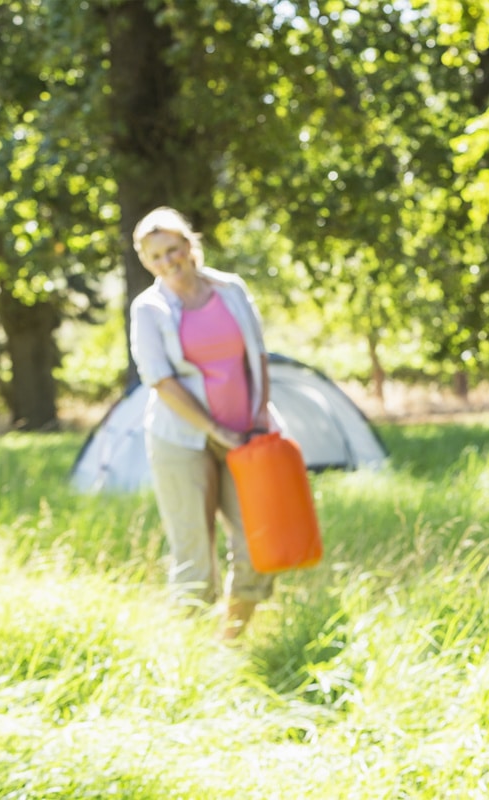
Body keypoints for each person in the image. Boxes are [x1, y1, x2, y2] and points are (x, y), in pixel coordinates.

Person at [129, 206, 275, 640]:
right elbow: (161, 382)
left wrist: (261, 412)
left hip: (246, 436)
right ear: (145, 262)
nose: (167, 261)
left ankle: (230, 644)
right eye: (155, 256)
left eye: (173, 249)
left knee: (257, 543)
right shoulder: (148, 309)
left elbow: (259, 356)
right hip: (181, 441)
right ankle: (191, 659)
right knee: (194, 552)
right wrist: (216, 431)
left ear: (190, 244)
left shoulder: (231, 288)